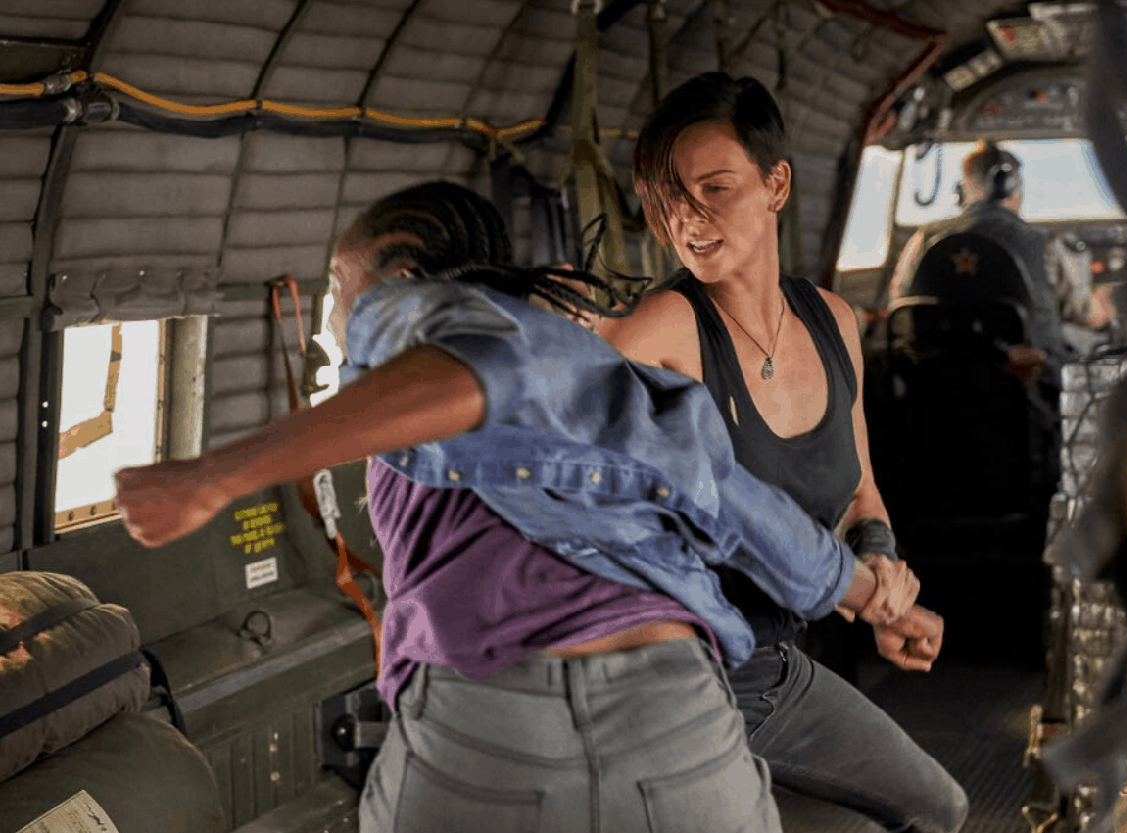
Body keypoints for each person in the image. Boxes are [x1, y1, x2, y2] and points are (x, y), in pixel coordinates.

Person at [115, 182, 941, 832]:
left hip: (496, 722)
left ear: (394, 277)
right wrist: (872, 594)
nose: (336, 311)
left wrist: (214, 475)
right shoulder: (621, 382)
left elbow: (486, 364)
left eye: (336, 283)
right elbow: (747, 512)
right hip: (682, 722)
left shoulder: (403, 312)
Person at [596, 73, 969, 833]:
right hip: (680, 678)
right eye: (668, 198)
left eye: (715, 188)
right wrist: (857, 591)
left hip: (774, 665)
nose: (687, 218)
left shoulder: (831, 320)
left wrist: (883, 574)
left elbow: (859, 490)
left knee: (931, 807)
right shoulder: (659, 331)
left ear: (776, 185)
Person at [889, 140, 1115, 359]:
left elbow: (898, 302)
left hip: (935, 374)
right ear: (1009, 185)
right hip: (1027, 376)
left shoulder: (924, 238)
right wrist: (1107, 300)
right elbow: (1087, 315)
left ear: (961, 190)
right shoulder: (1045, 243)